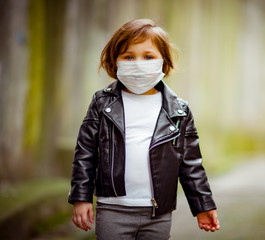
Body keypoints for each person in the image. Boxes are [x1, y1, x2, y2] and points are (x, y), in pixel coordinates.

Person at [68, 18, 220, 239]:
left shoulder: (179, 110)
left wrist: (203, 205)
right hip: (112, 209)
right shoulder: (102, 103)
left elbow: (191, 164)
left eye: (148, 57)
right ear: (115, 61)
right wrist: (81, 198)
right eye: (129, 56)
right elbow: (85, 152)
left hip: (158, 212)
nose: (138, 64)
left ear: (163, 61)